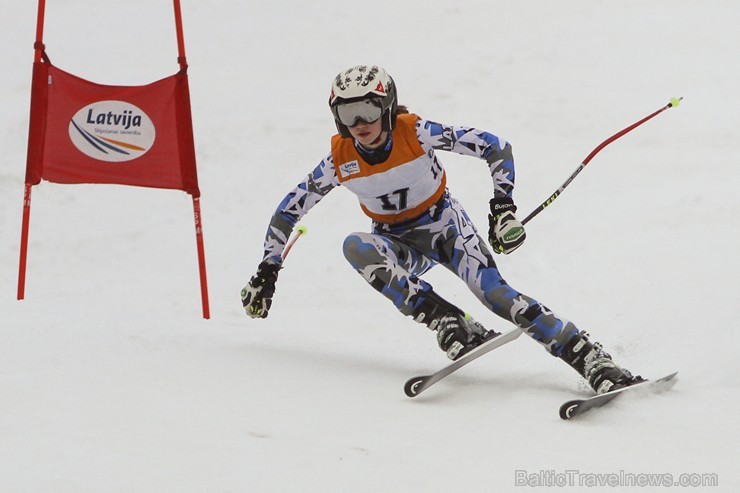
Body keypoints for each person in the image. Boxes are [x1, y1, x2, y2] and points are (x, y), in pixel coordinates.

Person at [241, 64, 643, 395]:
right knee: (356, 246)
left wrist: (502, 206)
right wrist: (268, 269)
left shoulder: (414, 132)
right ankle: (447, 320)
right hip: (398, 242)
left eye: (367, 109)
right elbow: (287, 210)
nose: (359, 123)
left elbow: (495, 146)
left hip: (447, 230)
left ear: (388, 106)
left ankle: (590, 357)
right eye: (347, 114)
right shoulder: (340, 160)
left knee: (498, 297)